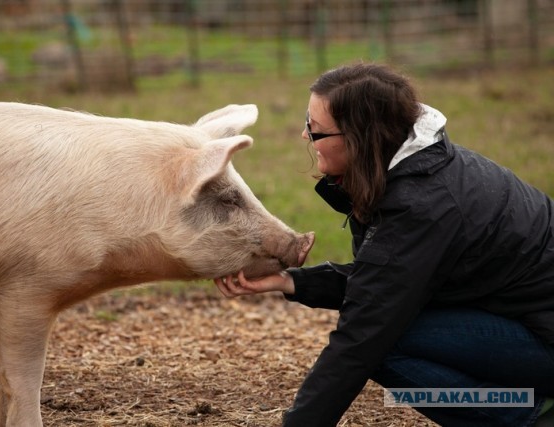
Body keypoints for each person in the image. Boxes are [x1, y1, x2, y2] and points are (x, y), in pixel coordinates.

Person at [215, 63, 554, 427]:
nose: (303, 135)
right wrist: (291, 281)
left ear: (359, 138)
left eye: (315, 129)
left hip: (542, 336)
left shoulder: (422, 204)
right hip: (522, 316)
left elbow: (366, 328)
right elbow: (391, 278)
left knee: (383, 345)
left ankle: (527, 416)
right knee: (386, 329)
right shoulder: (414, 167)